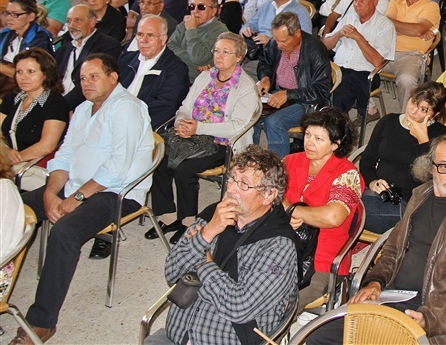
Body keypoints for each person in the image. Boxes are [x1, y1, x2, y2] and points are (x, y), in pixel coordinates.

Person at [13, 54, 154, 344]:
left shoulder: (127, 108)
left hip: (116, 193)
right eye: (82, 79)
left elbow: (118, 167)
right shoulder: (82, 110)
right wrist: (52, 194)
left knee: (64, 232)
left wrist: (76, 197)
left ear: (113, 77)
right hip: (75, 186)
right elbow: (63, 156)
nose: (86, 83)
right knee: (14, 209)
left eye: (94, 76)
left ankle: (42, 323)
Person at [343, 133, 446, 344]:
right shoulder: (420, 195)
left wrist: (429, 318)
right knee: (325, 335)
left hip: (435, 316)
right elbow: (392, 248)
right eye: (444, 166)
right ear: (431, 167)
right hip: (392, 295)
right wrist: (376, 282)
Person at [153, 146, 298, 345]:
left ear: (268, 195)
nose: (230, 189)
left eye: (244, 184)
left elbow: (238, 307)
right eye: (231, 179)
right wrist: (208, 233)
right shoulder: (214, 215)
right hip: (177, 336)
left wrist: (203, 264)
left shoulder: (278, 246)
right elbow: (171, 272)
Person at [150, 32, 259, 244]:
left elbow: (237, 126)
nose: (218, 56)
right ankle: (168, 215)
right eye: (216, 51)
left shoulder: (245, 87)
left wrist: (198, 128)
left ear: (239, 57)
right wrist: (182, 123)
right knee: (159, 157)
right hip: (192, 137)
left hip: (223, 144)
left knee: (184, 168)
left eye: (225, 52)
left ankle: (188, 221)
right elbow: (184, 108)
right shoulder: (204, 77)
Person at [283, 108, 364, 309]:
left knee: (281, 302)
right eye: (308, 135)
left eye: (319, 139)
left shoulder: (347, 174)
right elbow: (266, 195)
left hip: (322, 260)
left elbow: (332, 217)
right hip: (280, 246)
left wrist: (290, 210)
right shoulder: (290, 161)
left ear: (336, 145)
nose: (309, 142)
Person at [359, 82, 446, 234]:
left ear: (435, 114)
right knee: (342, 201)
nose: (413, 111)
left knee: (350, 212)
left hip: (410, 204)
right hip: (378, 194)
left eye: (423, 110)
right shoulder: (388, 121)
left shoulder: (441, 135)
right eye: (413, 102)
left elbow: (436, 179)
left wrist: (423, 142)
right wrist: (373, 181)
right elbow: (367, 159)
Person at [256, 12, 331, 157]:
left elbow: (322, 90)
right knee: (250, 113)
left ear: (297, 33)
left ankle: (278, 168)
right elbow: (264, 62)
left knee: (274, 122)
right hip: (278, 92)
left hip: (305, 102)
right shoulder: (275, 42)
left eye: (283, 41)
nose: (278, 46)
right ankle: (250, 160)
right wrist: (265, 78)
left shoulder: (315, 50)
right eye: (276, 40)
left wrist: (289, 94)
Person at [324, 0, 395, 116]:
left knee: (336, 100)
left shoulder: (385, 25)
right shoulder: (349, 18)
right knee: (312, 91)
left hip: (362, 74)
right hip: (337, 69)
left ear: (374, 1)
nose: (357, 4)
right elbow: (325, 46)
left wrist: (358, 37)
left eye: (362, 0)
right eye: (355, 0)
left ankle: (332, 132)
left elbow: (377, 61)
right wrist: (338, 34)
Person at [0, 49, 68, 180]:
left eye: (31, 72)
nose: (23, 77)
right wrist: (5, 152)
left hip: (34, 166)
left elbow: (47, 146)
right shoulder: (14, 96)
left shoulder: (55, 102)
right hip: (7, 161)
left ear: (46, 74)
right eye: (19, 72)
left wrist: (15, 158)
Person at [118, 15, 190, 131]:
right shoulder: (126, 60)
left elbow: (165, 108)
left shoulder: (175, 70)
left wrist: (125, 121)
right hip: (112, 120)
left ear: (163, 39)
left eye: (150, 35)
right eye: (140, 34)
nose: (143, 40)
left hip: (140, 129)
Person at [381, 0, 440, 109]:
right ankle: (370, 109)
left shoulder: (431, 6)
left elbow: (418, 29)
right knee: (357, 65)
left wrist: (402, 28)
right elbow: (385, 26)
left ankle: (406, 120)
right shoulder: (395, 2)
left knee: (407, 80)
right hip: (385, 51)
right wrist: (414, 31)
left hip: (412, 55)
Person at [55, 4, 121, 110]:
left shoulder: (108, 46)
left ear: (92, 22)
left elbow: (95, 84)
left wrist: (61, 106)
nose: (72, 25)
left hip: (86, 107)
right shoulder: (64, 49)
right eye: (68, 21)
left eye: (78, 20)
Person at [167, 0, 229, 83]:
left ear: (213, 11)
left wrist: (191, 30)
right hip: (171, 73)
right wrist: (192, 61)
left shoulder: (220, 31)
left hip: (194, 82)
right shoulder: (185, 23)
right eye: (192, 7)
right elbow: (168, 49)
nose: (195, 11)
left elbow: (197, 57)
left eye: (201, 7)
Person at [0, 0, 53, 95]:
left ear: (30, 17)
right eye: (7, 13)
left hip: (28, 88)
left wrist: (2, 68)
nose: (8, 18)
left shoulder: (40, 38)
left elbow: (31, 74)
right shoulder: (5, 34)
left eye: (15, 14)